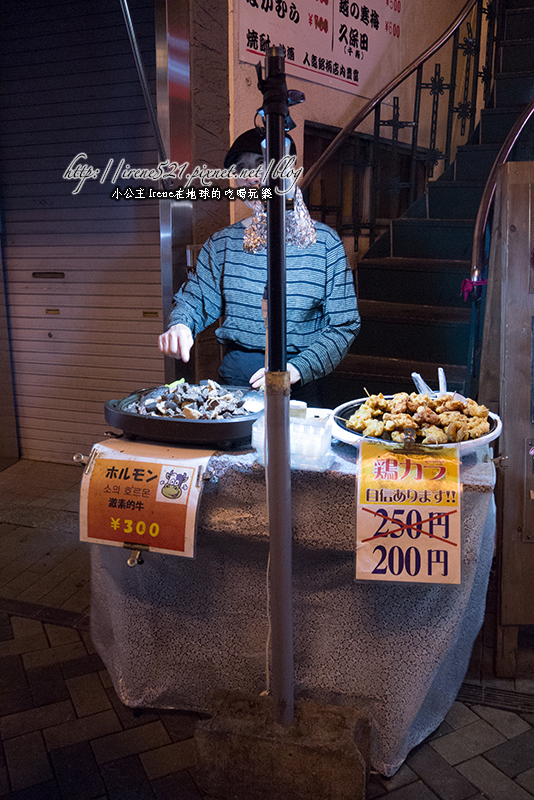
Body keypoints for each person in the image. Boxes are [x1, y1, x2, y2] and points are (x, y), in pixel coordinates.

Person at [158, 128, 360, 406]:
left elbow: (344, 324)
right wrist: (181, 325)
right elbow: (196, 299)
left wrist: (295, 370)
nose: (250, 176)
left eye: (261, 165)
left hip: (301, 383)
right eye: (241, 168)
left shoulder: (325, 244)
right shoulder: (222, 243)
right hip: (237, 385)